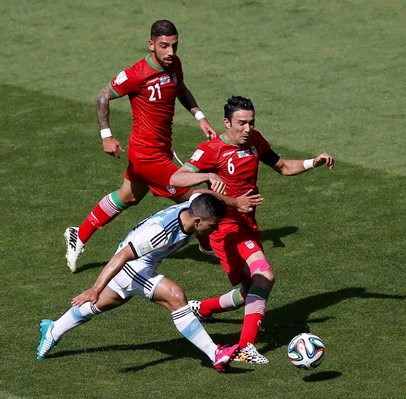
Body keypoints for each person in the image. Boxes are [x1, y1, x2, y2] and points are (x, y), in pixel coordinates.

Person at [169, 96, 334, 364]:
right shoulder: (212, 149)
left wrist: (311, 162)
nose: (248, 128)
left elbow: (282, 166)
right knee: (264, 276)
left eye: (251, 122)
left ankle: (202, 308)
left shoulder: (255, 140)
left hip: (247, 225)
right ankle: (246, 346)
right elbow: (177, 178)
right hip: (225, 229)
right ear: (227, 123)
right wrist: (208, 176)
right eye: (241, 123)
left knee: (252, 290)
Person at [38, 192, 262, 372]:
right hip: (131, 267)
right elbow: (123, 256)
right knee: (175, 296)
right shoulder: (161, 232)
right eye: (212, 225)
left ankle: (54, 330)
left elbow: (202, 193)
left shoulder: (196, 205)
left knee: (102, 305)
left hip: (143, 264)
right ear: (197, 221)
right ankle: (215, 354)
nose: (215, 229)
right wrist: (96, 288)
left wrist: (232, 201)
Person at [64, 20, 217, 273]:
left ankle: (78, 235)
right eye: (164, 46)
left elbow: (181, 90)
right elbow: (102, 96)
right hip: (147, 157)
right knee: (196, 195)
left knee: (128, 196)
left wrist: (200, 118)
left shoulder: (174, 64)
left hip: (161, 150)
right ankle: (206, 243)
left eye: (174, 45)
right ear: (151, 45)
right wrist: (106, 136)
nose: (170, 52)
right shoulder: (136, 74)